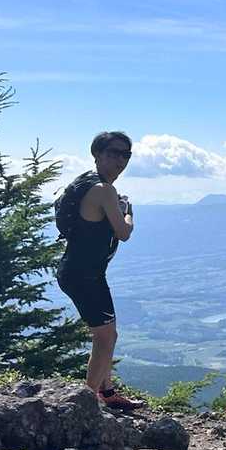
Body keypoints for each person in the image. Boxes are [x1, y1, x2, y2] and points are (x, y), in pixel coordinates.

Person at [56, 130, 145, 412]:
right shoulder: (105, 190)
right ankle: (87, 403)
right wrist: (128, 211)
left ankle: (107, 392)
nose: (120, 160)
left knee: (109, 334)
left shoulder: (84, 182)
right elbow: (123, 232)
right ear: (97, 154)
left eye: (125, 154)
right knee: (104, 337)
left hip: (80, 271)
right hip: (85, 276)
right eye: (113, 153)